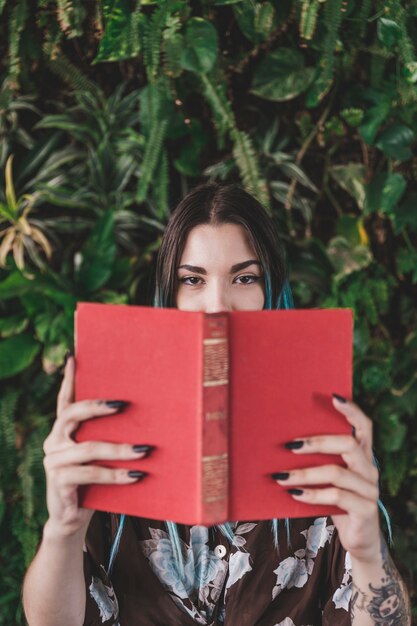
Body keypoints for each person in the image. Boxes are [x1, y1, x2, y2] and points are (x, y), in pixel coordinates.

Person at [22, 182, 411, 626]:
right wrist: (62, 532)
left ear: (272, 293)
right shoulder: (113, 436)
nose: (217, 306)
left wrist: (366, 554)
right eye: (193, 279)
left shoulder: (326, 446)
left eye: (245, 278)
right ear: (168, 295)